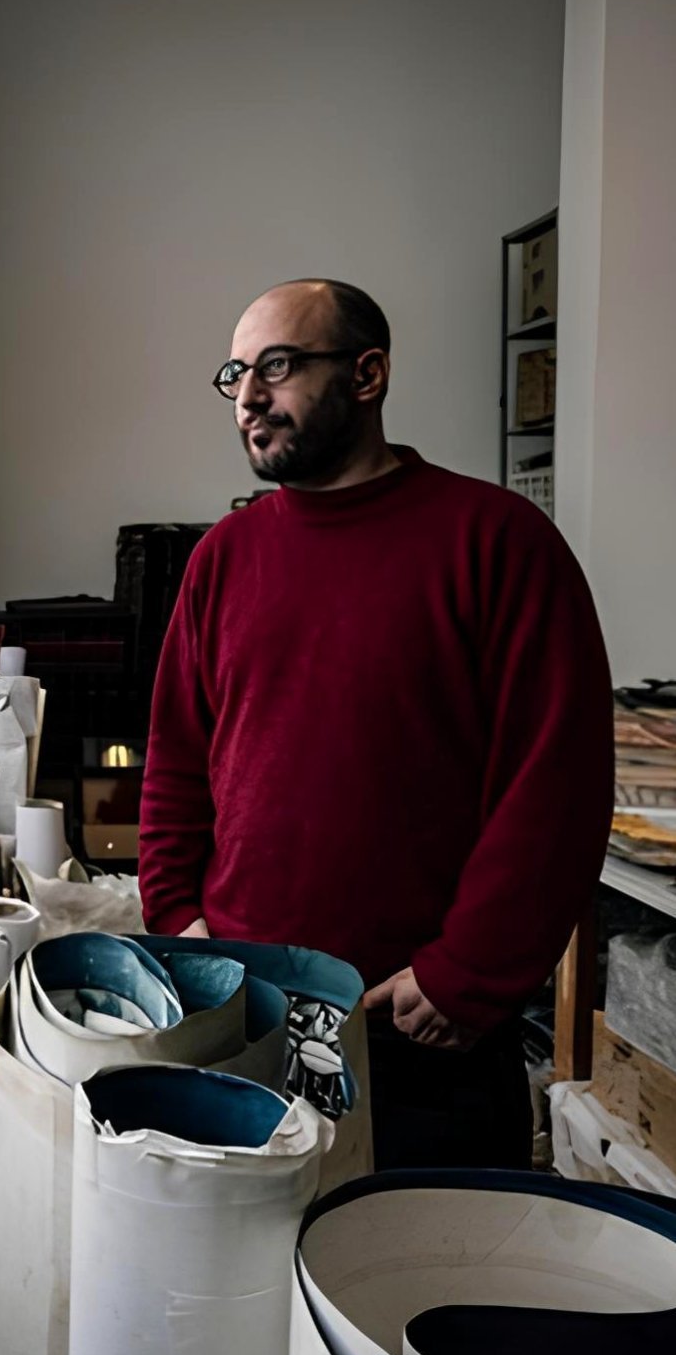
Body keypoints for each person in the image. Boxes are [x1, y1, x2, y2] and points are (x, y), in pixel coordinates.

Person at [137, 278, 614, 1169]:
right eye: (237, 374)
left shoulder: (497, 542)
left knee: (424, 1258)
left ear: (367, 375)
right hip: (242, 1019)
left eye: (278, 366)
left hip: (419, 1034)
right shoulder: (223, 558)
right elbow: (176, 761)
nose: (248, 397)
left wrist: (469, 971)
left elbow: (558, 785)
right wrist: (178, 918)